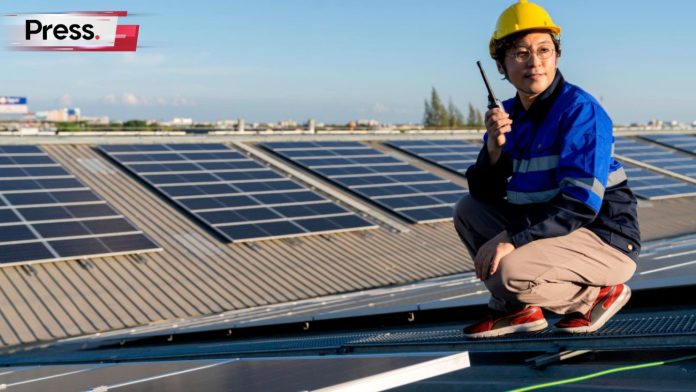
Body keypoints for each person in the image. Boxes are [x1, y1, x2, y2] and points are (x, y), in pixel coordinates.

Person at [454, 0, 641, 338]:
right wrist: (493, 151)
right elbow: (485, 195)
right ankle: (518, 310)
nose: (535, 62)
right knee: (467, 211)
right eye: (520, 53)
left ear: (557, 55)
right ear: (501, 65)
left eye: (544, 50)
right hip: (553, 231)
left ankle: (595, 294)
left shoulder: (580, 111)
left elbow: (580, 203)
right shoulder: (509, 115)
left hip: (604, 237)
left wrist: (510, 238)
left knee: (508, 270)